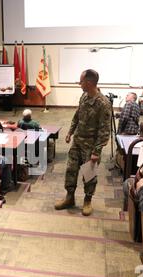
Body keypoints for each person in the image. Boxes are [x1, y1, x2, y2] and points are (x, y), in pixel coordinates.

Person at [55, 69, 112, 216]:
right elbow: (77, 115)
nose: (79, 84)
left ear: (88, 82)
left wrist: (96, 151)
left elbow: (105, 130)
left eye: (81, 81)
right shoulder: (84, 96)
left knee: (89, 175)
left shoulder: (103, 103)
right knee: (71, 170)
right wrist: (70, 132)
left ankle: (87, 201)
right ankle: (70, 197)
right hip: (77, 142)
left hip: (91, 147)